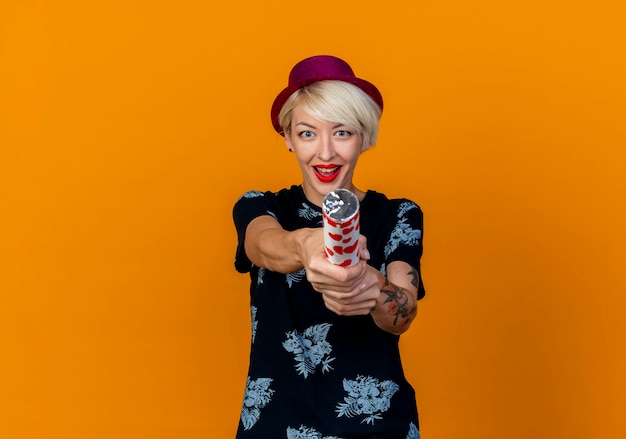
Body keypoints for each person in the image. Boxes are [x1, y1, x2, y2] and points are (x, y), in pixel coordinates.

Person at [232, 55, 426, 439]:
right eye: (307, 133)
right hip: (275, 424)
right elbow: (263, 245)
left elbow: (402, 313)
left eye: (342, 133)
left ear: (365, 137)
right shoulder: (260, 206)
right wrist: (305, 244)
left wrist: (371, 287)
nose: (325, 153)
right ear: (287, 138)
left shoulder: (399, 214)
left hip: (378, 426)